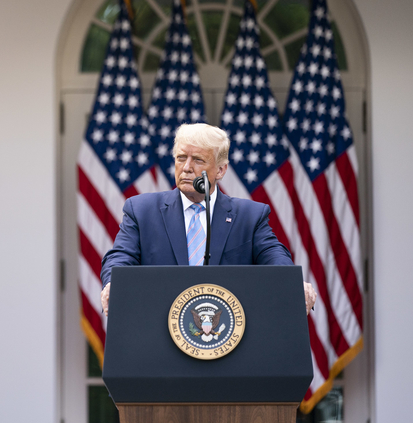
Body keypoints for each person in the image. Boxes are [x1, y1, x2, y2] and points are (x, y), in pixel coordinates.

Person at [99, 123, 317, 315]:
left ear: (220, 170)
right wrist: (113, 283)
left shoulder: (250, 216)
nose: (186, 168)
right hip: (160, 332)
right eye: (181, 158)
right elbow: (119, 257)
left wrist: (292, 282)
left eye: (198, 160)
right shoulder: (142, 210)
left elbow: (275, 257)